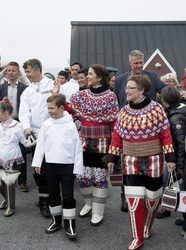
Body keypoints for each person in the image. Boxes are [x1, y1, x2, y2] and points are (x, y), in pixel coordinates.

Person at [108, 75, 175, 250]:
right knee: (134, 200)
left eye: (130, 88)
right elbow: (117, 136)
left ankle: (147, 226)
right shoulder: (123, 112)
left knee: (152, 199)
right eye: (126, 87)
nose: (126, 91)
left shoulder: (156, 109)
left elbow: (165, 134)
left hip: (154, 159)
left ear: (141, 90)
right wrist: (112, 158)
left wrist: (170, 158)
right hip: (131, 161)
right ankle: (137, 237)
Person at [114, 49, 165, 212]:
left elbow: (163, 90)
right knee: (125, 163)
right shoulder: (121, 79)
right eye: (136, 63)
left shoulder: (152, 77)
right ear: (130, 63)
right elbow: (116, 99)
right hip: (126, 126)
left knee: (146, 165)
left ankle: (146, 196)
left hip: (147, 129)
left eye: (141, 63)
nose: (139, 66)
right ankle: (125, 195)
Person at [67, 64, 119, 226]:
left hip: (103, 142)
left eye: (90, 74)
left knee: (99, 178)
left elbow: (113, 123)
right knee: (83, 177)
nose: (87, 76)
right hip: (84, 142)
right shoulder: (82, 95)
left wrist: (114, 149)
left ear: (99, 77)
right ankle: (88, 203)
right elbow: (70, 108)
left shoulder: (110, 96)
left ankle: (97, 211)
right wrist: (56, 95)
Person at [32, 93, 83, 239]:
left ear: (62, 108)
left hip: (67, 166)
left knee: (68, 196)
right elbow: (40, 144)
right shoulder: (47, 124)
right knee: (53, 194)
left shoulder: (70, 125)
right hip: (51, 166)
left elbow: (77, 148)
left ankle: (70, 223)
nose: (50, 111)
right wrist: (37, 163)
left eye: (52, 108)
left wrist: (77, 168)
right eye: (48, 108)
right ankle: (56, 221)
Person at [19, 58, 54, 217]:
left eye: (28, 71)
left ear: (37, 69)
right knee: (38, 166)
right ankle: (43, 200)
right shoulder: (27, 91)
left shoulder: (52, 85)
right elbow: (24, 111)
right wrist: (26, 126)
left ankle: (50, 197)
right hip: (34, 134)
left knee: (51, 167)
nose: (26, 74)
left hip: (52, 133)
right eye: (25, 71)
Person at [0, 61, 28, 191]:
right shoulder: (1, 87)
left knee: (21, 152)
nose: (11, 73)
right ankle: (6, 177)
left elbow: (28, 87)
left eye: (14, 71)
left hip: (19, 122)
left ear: (18, 72)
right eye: (9, 71)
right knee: (4, 150)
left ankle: (22, 180)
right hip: (3, 122)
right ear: (5, 73)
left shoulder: (24, 87)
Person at [0, 98, 25, 217]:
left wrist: (30, 135)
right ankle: (8, 199)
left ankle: (11, 206)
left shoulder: (18, 126)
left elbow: (24, 141)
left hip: (13, 158)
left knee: (9, 183)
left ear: (6, 113)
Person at [160, 86, 186, 236]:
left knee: (172, 183)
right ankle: (179, 214)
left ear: (165, 101)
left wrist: (179, 166)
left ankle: (168, 210)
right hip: (180, 158)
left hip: (180, 159)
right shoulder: (182, 107)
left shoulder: (175, 116)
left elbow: (180, 142)